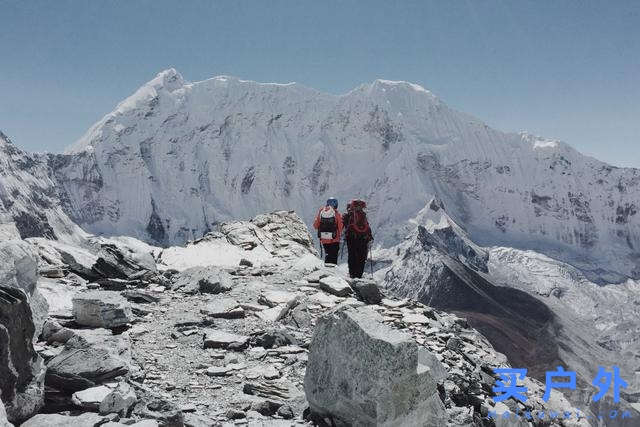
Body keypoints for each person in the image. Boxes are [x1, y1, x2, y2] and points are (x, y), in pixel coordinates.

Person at [342, 199, 373, 278]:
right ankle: (359, 275)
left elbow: (344, 226)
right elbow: (368, 227)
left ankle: (352, 274)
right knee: (361, 257)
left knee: (352, 256)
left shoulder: (348, 215)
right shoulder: (363, 215)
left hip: (352, 238)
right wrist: (369, 237)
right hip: (363, 239)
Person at [313, 197, 343, 265]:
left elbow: (315, 226)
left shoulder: (321, 212)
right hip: (334, 239)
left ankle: (327, 270)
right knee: (333, 256)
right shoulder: (337, 214)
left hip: (324, 239)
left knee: (328, 254)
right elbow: (341, 228)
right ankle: (333, 271)